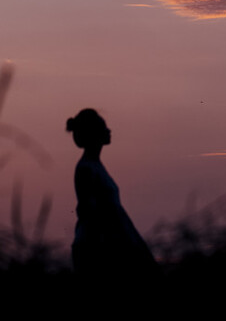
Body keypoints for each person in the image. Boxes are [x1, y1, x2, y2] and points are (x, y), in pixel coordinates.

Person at [66, 109, 157, 279]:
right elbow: (91, 213)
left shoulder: (94, 166)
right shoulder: (86, 169)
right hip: (97, 247)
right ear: (93, 133)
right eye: (103, 127)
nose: (109, 131)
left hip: (107, 243)